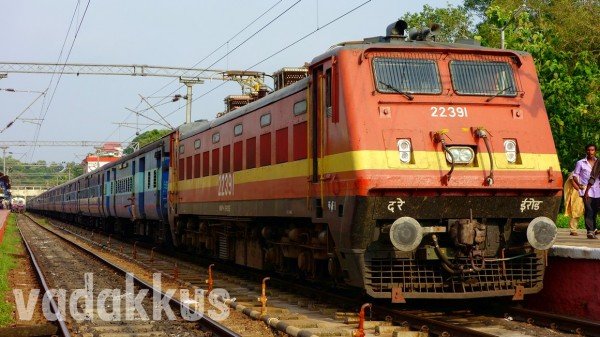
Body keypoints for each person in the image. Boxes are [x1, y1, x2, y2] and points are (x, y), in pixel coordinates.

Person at [573, 144, 599, 239]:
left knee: (595, 210)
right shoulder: (580, 163)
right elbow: (575, 175)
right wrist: (578, 185)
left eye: (592, 150)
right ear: (586, 151)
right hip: (585, 190)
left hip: (598, 190)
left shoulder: (598, 162)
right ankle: (590, 231)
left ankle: (594, 228)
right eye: (588, 150)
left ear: (595, 151)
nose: (590, 152)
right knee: (589, 209)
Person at [584, 157, 600, 236]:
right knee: (590, 210)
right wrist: (587, 191)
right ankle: (590, 230)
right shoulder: (599, 161)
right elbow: (593, 176)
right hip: (595, 190)